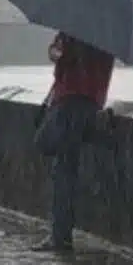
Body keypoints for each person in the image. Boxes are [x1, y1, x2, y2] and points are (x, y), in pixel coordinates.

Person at [30, 31, 116, 253]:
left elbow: (58, 55)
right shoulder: (108, 34)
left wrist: (57, 48)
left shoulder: (74, 29)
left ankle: (60, 237)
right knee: (68, 168)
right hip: (92, 104)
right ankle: (62, 233)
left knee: (62, 172)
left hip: (69, 104)